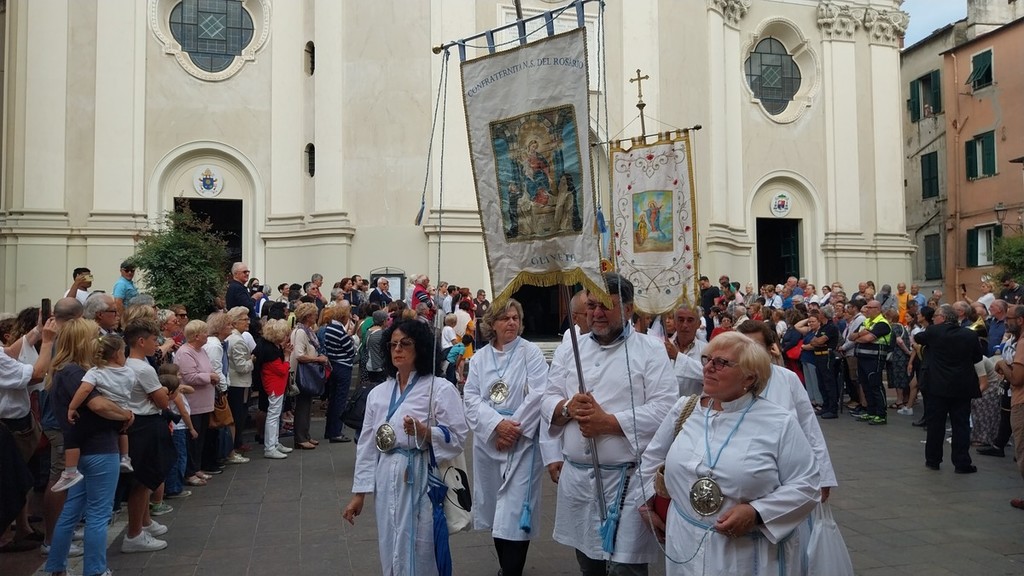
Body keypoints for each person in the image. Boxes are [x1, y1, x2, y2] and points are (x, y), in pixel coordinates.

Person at [638, 332, 820, 576]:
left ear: (749, 377)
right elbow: (651, 458)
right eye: (707, 359)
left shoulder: (779, 423)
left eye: (721, 362)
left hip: (746, 553)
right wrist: (645, 504)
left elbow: (807, 485)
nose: (708, 368)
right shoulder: (685, 409)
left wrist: (758, 512)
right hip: (684, 540)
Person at [541, 273, 677, 573]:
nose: (597, 313)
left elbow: (666, 409)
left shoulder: (651, 350)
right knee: (588, 566)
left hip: (626, 483)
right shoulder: (570, 348)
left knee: (625, 569)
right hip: (578, 482)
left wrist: (609, 422)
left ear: (628, 309)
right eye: (592, 305)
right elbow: (548, 398)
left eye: (606, 305)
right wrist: (567, 408)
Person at [343, 320, 468, 575]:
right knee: (390, 539)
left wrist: (425, 432)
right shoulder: (378, 393)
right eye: (393, 345)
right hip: (386, 473)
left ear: (420, 348)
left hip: (420, 473)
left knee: (421, 543)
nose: (398, 349)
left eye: (405, 344)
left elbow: (458, 437)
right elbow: (367, 445)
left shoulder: (439, 388)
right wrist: (360, 494)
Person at [464, 299, 549, 576]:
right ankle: (505, 566)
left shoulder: (530, 352)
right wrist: (497, 426)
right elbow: (471, 398)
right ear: (492, 324)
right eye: (505, 318)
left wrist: (512, 430)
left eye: (515, 318)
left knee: (515, 508)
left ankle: (512, 570)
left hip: (521, 441)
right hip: (489, 439)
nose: (511, 322)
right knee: (495, 507)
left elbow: (539, 393)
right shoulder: (479, 358)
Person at [44, 318, 134, 576]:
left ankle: (57, 566)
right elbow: (98, 405)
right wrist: (126, 415)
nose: (99, 342)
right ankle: (95, 570)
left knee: (72, 510)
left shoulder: (64, 371)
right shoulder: (75, 372)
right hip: (99, 447)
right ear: (82, 341)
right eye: (94, 336)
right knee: (98, 514)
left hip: (81, 448)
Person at [53, 334, 136, 492]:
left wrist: (72, 407)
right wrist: (126, 412)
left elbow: (85, 390)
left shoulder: (96, 372)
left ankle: (70, 471)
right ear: (118, 353)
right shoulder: (130, 372)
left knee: (72, 437)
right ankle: (125, 457)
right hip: (123, 409)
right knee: (123, 432)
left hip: (106, 416)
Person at [122, 318, 175, 553]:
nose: (157, 344)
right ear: (141, 341)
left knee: (144, 478)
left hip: (140, 422)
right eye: (154, 340)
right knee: (142, 481)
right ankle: (134, 534)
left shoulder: (133, 364)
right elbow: (162, 401)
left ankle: (145, 522)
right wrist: (163, 391)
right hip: (144, 424)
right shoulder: (142, 368)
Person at [914, 304, 984, 472]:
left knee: (935, 425)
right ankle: (962, 463)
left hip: (937, 386)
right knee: (961, 425)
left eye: (935, 316)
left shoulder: (934, 331)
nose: (933, 319)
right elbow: (977, 357)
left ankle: (933, 460)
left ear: (943, 318)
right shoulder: (970, 334)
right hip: (962, 386)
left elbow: (918, 338)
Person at [291, 302, 329, 450]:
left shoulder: (307, 331)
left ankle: (305, 435)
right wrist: (318, 359)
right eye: (314, 314)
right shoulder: (301, 332)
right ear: (308, 316)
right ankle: (300, 437)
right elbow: (300, 355)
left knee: (306, 405)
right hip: (302, 373)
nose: (316, 317)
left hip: (307, 371)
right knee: (302, 406)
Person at [848, 300, 891, 425]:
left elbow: (868, 338)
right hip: (862, 358)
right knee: (866, 386)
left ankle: (881, 414)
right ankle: (871, 411)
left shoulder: (882, 323)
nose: (867, 310)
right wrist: (861, 334)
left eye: (870, 308)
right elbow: (851, 337)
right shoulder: (866, 322)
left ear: (878, 309)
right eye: (866, 307)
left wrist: (860, 337)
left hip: (874, 359)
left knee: (875, 386)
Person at [256, 319, 293, 459]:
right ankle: (270, 447)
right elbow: (282, 370)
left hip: (275, 385)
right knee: (273, 416)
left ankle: (274, 443)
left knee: (275, 416)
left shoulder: (269, 347)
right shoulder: (271, 352)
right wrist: (287, 357)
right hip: (275, 385)